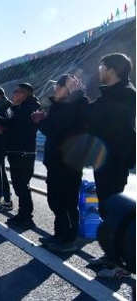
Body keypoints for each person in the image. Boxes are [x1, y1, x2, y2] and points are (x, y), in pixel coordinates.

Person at [79, 53, 136, 275]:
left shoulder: (127, 94)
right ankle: (112, 255)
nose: (99, 70)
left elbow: (98, 117)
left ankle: (123, 263)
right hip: (104, 160)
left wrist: (83, 100)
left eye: (102, 66)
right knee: (106, 208)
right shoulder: (110, 94)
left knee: (115, 212)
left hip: (115, 160)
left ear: (113, 70)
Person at [31, 74, 90, 253]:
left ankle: (68, 239)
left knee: (67, 202)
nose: (54, 88)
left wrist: (40, 121)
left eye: (57, 85)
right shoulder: (61, 106)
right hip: (55, 161)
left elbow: (56, 128)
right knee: (56, 201)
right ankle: (59, 235)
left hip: (69, 162)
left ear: (67, 89)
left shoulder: (76, 104)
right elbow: (56, 126)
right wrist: (44, 119)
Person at [0, 83, 41, 230]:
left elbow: (15, 123)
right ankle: (22, 214)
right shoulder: (15, 109)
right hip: (15, 151)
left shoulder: (30, 108)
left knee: (22, 185)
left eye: (16, 92)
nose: (13, 94)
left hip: (24, 152)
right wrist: (2, 127)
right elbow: (10, 125)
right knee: (19, 185)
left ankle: (27, 217)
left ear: (23, 95)